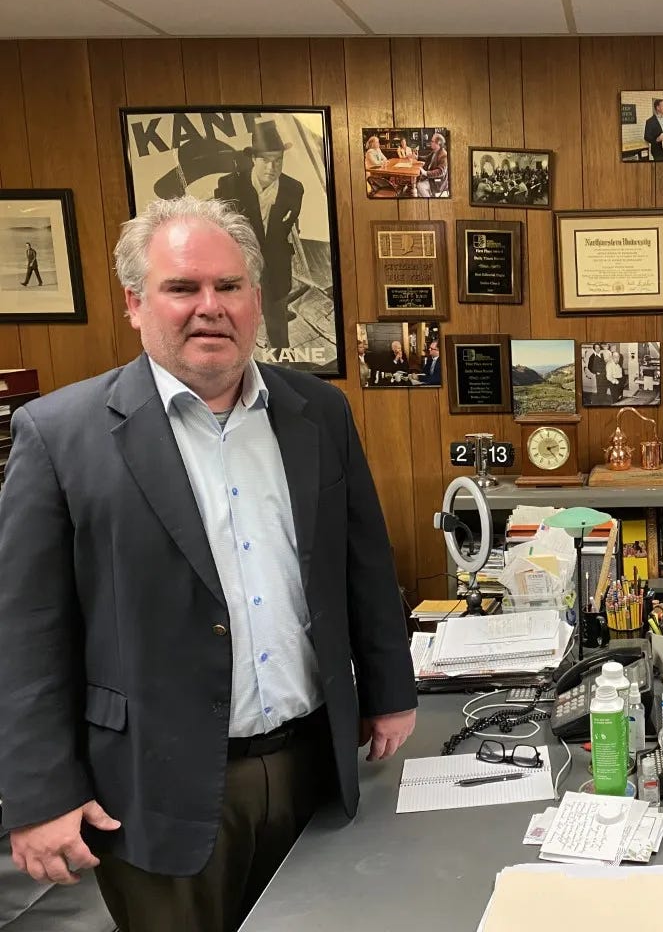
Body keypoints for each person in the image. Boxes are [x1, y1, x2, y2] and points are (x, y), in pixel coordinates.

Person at [0, 196, 416, 932]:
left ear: (256, 298)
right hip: (153, 787)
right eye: (182, 287)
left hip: (311, 763)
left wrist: (390, 691)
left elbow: (363, 563)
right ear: (135, 303)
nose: (210, 307)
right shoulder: (59, 435)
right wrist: (39, 794)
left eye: (229, 286)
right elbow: (24, 632)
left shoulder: (317, 411)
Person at [214, 120, 304, 350]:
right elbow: (221, 228)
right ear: (254, 159)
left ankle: (281, 362)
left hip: (276, 268)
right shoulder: (230, 185)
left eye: (278, 160)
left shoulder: (294, 189)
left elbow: (286, 227)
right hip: (239, 266)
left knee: (278, 330)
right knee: (235, 324)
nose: (272, 167)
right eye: (265, 160)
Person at [418, 132, 449, 198]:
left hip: (438, 182)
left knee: (420, 186)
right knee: (418, 182)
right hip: (432, 178)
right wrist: (417, 157)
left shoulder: (444, 155)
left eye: (432, 141)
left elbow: (441, 172)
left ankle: (431, 201)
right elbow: (426, 158)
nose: (430, 143)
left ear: (438, 143)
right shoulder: (435, 151)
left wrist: (425, 173)